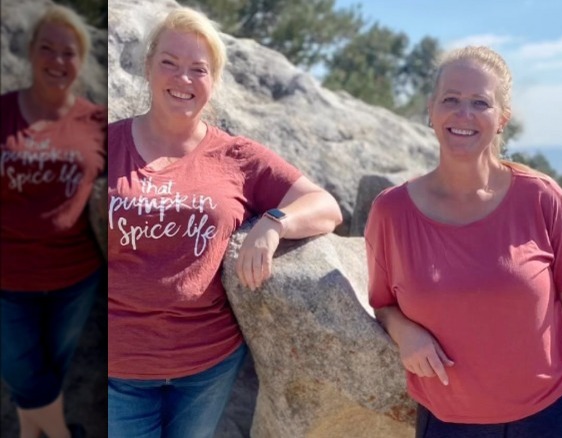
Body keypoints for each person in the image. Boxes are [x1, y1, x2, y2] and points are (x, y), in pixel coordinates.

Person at [106, 7, 342, 438]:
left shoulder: (237, 156)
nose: (183, 79)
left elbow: (325, 206)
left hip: (207, 366)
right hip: (120, 368)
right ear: (147, 67)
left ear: (213, 82)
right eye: (170, 64)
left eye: (198, 69)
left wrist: (273, 223)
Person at [365, 46, 562, 438]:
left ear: (502, 119)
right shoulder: (391, 213)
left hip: (553, 418)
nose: (463, 114)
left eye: (480, 102)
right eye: (451, 99)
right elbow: (383, 304)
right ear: (431, 110)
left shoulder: (541, 199)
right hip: (447, 425)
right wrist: (404, 331)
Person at [0, 4, 104, 438]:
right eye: (48, 49)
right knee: (25, 374)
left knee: (48, 372)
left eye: (68, 52)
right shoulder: (3, 112)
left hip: (74, 278)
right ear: (31, 53)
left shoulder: (96, 122)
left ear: (80, 61)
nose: (57, 61)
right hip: (8, 277)